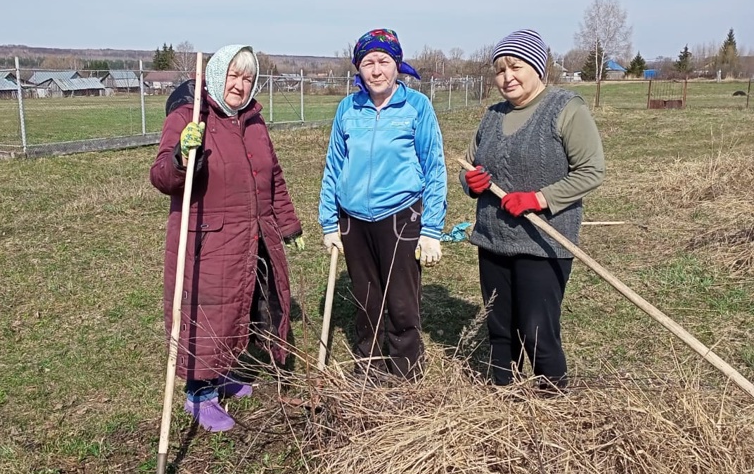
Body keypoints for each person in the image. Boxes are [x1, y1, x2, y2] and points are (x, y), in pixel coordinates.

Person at [150, 44, 304, 432]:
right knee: (206, 314)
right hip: (207, 238)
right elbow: (160, 178)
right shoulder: (189, 117)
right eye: (233, 76)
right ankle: (198, 396)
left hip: (251, 235)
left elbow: (274, 177)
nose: (240, 85)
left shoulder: (253, 120)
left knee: (234, 310)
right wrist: (183, 157)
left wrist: (287, 225)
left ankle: (219, 376)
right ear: (217, 75)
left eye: (247, 78)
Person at [461, 29, 605, 391]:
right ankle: (503, 401)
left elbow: (591, 171)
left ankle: (552, 405)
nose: (507, 77)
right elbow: (469, 166)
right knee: (500, 331)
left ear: (538, 67)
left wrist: (538, 199)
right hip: (493, 239)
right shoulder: (492, 115)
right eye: (499, 70)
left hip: (544, 241)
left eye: (516, 66)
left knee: (538, 331)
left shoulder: (566, 108)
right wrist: (471, 183)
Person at [318, 28, 447, 381]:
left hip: (400, 217)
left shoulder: (417, 107)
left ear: (397, 65)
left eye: (384, 62)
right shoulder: (348, 108)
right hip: (354, 220)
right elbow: (334, 165)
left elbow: (434, 168)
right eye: (368, 63)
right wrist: (329, 222)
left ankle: (406, 374)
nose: (376, 71)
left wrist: (431, 229)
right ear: (358, 69)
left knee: (402, 303)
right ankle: (370, 371)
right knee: (367, 300)